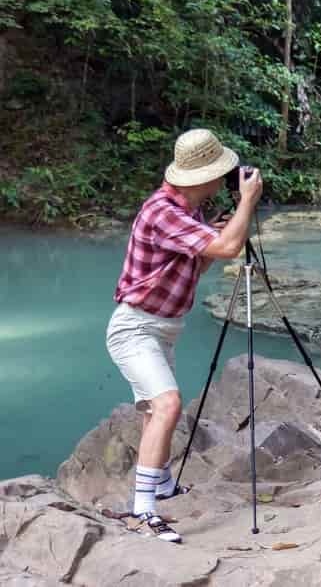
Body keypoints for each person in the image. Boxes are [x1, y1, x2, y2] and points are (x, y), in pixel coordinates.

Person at [106, 129, 263, 543]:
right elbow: (230, 250)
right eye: (219, 173)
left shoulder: (189, 214)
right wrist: (246, 203)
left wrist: (213, 235)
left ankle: (160, 485)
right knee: (167, 405)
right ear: (199, 177)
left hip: (163, 328)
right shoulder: (163, 212)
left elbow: (198, 266)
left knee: (151, 412)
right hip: (136, 327)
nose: (224, 180)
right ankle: (142, 512)